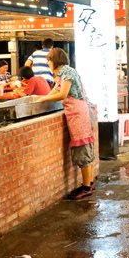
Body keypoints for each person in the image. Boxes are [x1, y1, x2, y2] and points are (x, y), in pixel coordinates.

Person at [37, 48, 97, 200]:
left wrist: (43, 100)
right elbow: (54, 92)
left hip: (78, 113)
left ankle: (86, 187)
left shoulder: (67, 72)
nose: (48, 64)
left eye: (48, 61)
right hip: (75, 113)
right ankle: (89, 183)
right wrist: (38, 100)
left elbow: (63, 94)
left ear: (54, 60)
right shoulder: (61, 74)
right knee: (84, 148)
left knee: (82, 149)